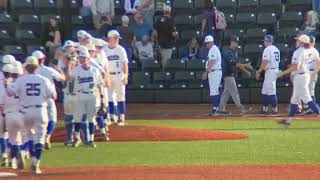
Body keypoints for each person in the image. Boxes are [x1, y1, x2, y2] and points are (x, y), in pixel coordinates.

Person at [5, 56, 57, 174]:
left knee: (28, 137)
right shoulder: (44, 80)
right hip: (40, 110)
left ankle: (26, 155)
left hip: (25, 111)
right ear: (37, 67)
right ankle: (35, 163)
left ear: (26, 67)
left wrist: (7, 84)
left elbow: (9, 93)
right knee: (39, 139)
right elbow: (54, 96)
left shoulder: (21, 80)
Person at [65, 47, 105, 148]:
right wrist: (68, 67)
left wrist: (102, 98)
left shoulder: (95, 71)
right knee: (78, 118)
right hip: (79, 95)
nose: (82, 59)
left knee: (91, 118)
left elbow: (100, 85)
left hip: (92, 95)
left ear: (88, 58)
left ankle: (91, 139)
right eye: (81, 58)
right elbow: (69, 79)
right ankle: (77, 138)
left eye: (84, 58)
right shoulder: (76, 70)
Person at [278, 34, 320, 126]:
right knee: (294, 100)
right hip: (305, 75)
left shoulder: (298, 52)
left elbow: (295, 67)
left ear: (302, 42)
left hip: (300, 77)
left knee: (307, 98)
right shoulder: (312, 50)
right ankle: (288, 121)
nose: (296, 42)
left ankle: (318, 114)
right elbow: (318, 62)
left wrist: (282, 73)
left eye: (298, 40)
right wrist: (313, 73)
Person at [32, 51, 66, 150]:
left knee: (36, 121)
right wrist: (58, 69)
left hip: (34, 99)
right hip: (48, 97)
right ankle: (47, 138)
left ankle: (38, 140)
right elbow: (62, 78)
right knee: (52, 119)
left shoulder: (29, 72)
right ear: (43, 59)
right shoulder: (48, 70)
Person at [216, 36, 252, 115]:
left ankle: (220, 109)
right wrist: (246, 66)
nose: (237, 43)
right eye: (236, 42)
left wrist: (246, 71)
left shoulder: (234, 52)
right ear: (232, 42)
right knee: (234, 92)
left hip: (230, 75)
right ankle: (241, 108)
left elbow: (238, 64)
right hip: (228, 74)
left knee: (226, 93)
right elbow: (234, 64)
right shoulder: (227, 51)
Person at [1, 63, 26, 170]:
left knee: (12, 140)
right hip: (22, 114)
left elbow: (1, 104)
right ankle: (23, 151)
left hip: (9, 115)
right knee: (22, 137)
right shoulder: (23, 85)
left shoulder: (6, 87)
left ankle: (12, 160)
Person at [103, 30, 129, 126]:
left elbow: (124, 63)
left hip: (119, 74)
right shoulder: (104, 49)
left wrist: (126, 75)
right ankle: (112, 116)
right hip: (109, 75)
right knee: (109, 97)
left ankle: (121, 117)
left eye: (117, 38)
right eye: (115, 38)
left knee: (120, 96)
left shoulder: (121, 49)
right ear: (110, 38)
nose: (117, 40)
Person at [256, 35, 280, 116]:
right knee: (265, 91)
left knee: (271, 91)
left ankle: (275, 110)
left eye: (265, 41)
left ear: (269, 41)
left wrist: (259, 71)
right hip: (273, 70)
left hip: (271, 71)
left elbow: (265, 62)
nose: (264, 42)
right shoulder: (276, 49)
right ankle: (264, 109)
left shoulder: (267, 49)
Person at [201, 35, 222, 116]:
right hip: (214, 72)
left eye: (209, 42)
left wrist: (206, 72)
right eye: (206, 43)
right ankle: (216, 108)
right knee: (214, 91)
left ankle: (215, 109)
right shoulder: (213, 49)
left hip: (214, 72)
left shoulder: (213, 49)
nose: (207, 44)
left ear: (212, 42)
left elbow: (212, 61)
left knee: (214, 91)